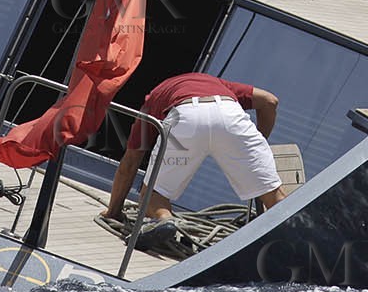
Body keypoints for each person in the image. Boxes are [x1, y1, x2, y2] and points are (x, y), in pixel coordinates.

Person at [104, 72, 286, 226]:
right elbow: (270, 101)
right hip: (229, 114)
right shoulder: (219, 84)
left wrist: (113, 212)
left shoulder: (155, 97)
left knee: (151, 195)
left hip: (185, 116)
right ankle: (295, 238)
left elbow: (130, 161)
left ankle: (165, 220)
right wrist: (256, 145)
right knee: (273, 196)